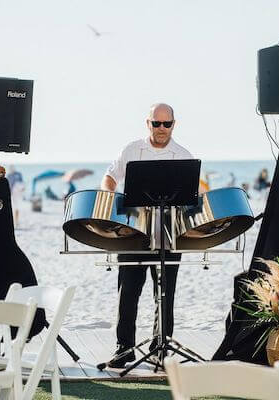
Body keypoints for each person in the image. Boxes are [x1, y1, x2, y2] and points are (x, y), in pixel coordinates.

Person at [101, 103, 193, 368]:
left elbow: (190, 199)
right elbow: (109, 177)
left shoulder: (183, 156)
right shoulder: (131, 150)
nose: (161, 129)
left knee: (165, 293)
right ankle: (124, 349)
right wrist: (111, 199)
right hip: (134, 230)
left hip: (170, 232)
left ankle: (160, 348)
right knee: (128, 290)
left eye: (167, 124)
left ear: (174, 124)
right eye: (156, 123)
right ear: (148, 123)